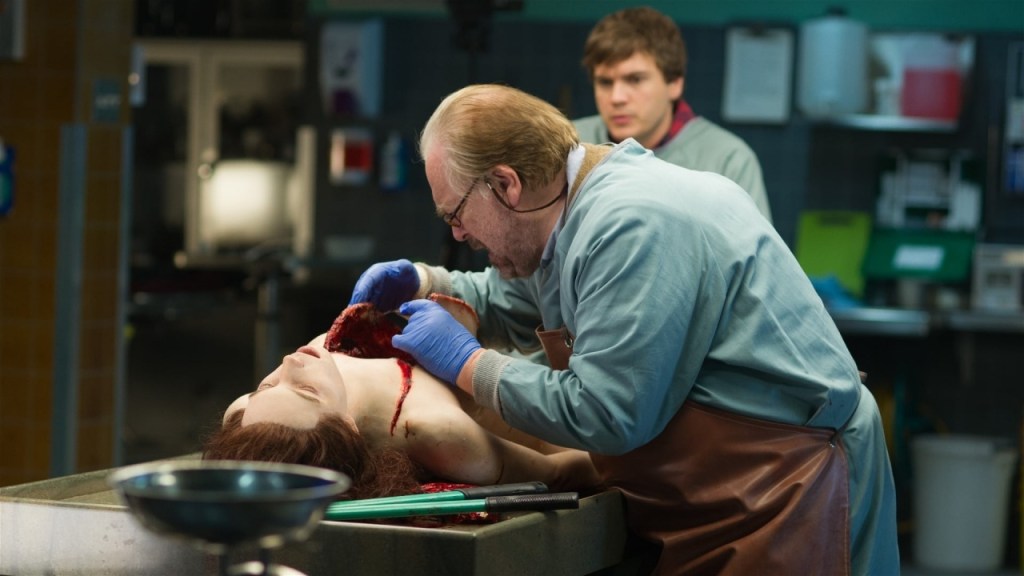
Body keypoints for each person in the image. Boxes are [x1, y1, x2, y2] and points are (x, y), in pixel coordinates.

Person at [347, 84, 899, 575]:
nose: (459, 234)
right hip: (724, 485)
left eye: (456, 215)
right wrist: (424, 280)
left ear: (505, 184)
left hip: (787, 485)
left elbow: (607, 412)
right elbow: (513, 294)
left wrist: (468, 363)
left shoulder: (631, 222)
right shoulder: (564, 217)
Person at [202, 302, 600, 502]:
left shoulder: (247, 415)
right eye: (305, 391)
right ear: (347, 427)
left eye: (265, 385)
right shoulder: (437, 432)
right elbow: (563, 471)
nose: (290, 363)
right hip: (555, 408)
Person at [573, 6, 773, 223]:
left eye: (635, 79)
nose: (617, 97)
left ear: (675, 84)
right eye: (605, 82)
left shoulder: (728, 160)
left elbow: (753, 246)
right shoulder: (571, 144)